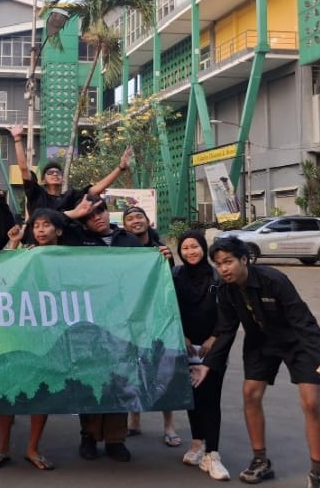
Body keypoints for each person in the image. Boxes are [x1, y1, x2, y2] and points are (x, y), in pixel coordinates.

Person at [191, 237, 320, 488]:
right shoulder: (226, 290)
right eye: (218, 264)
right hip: (260, 342)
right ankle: (260, 461)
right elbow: (226, 329)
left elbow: (303, 320)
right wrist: (207, 364)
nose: (223, 269)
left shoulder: (274, 280)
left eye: (228, 262)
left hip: (297, 343)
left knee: (311, 402)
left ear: (244, 259)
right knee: (250, 393)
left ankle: (317, 472)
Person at [0, 208, 65, 470]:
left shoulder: (71, 257)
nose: (41, 230)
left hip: (51, 335)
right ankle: (2, 446)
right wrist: (15, 242)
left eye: (46, 225)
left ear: (58, 231)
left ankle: (33, 448)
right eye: (37, 225)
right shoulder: (23, 253)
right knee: (9, 388)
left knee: (41, 390)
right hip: (17, 332)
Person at [63, 195, 141, 462]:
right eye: (89, 216)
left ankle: (116, 440)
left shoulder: (128, 240)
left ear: (109, 213)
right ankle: (89, 437)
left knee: (120, 379)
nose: (96, 218)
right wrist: (75, 213)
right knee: (92, 379)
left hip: (122, 321)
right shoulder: (76, 239)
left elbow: (146, 276)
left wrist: (165, 258)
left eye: (100, 212)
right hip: (89, 321)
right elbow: (49, 223)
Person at [172, 231, 231, 481]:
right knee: (193, 396)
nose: (190, 252)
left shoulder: (217, 276)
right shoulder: (175, 276)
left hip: (212, 347)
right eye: (185, 248)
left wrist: (214, 338)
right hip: (185, 345)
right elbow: (169, 308)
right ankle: (197, 444)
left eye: (194, 247)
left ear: (203, 248)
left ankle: (213, 454)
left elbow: (229, 313)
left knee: (211, 398)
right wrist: (181, 335)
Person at [120, 205, 180, 446]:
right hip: (131, 317)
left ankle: (169, 425)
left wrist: (169, 260)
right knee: (133, 366)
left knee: (162, 367)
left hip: (158, 317)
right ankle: (134, 420)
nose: (135, 221)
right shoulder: (119, 250)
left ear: (147, 221)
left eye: (139, 217)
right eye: (130, 218)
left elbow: (172, 281)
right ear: (124, 226)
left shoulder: (160, 249)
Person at [10, 123, 132, 217]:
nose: (55, 174)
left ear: (63, 178)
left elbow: (95, 190)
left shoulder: (70, 196)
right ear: (43, 179)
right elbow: (24, 168)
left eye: (58, 173)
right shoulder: (37, 194)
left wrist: (120, 168)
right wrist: (17, 139)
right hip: (39, 246)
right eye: (50, 173)